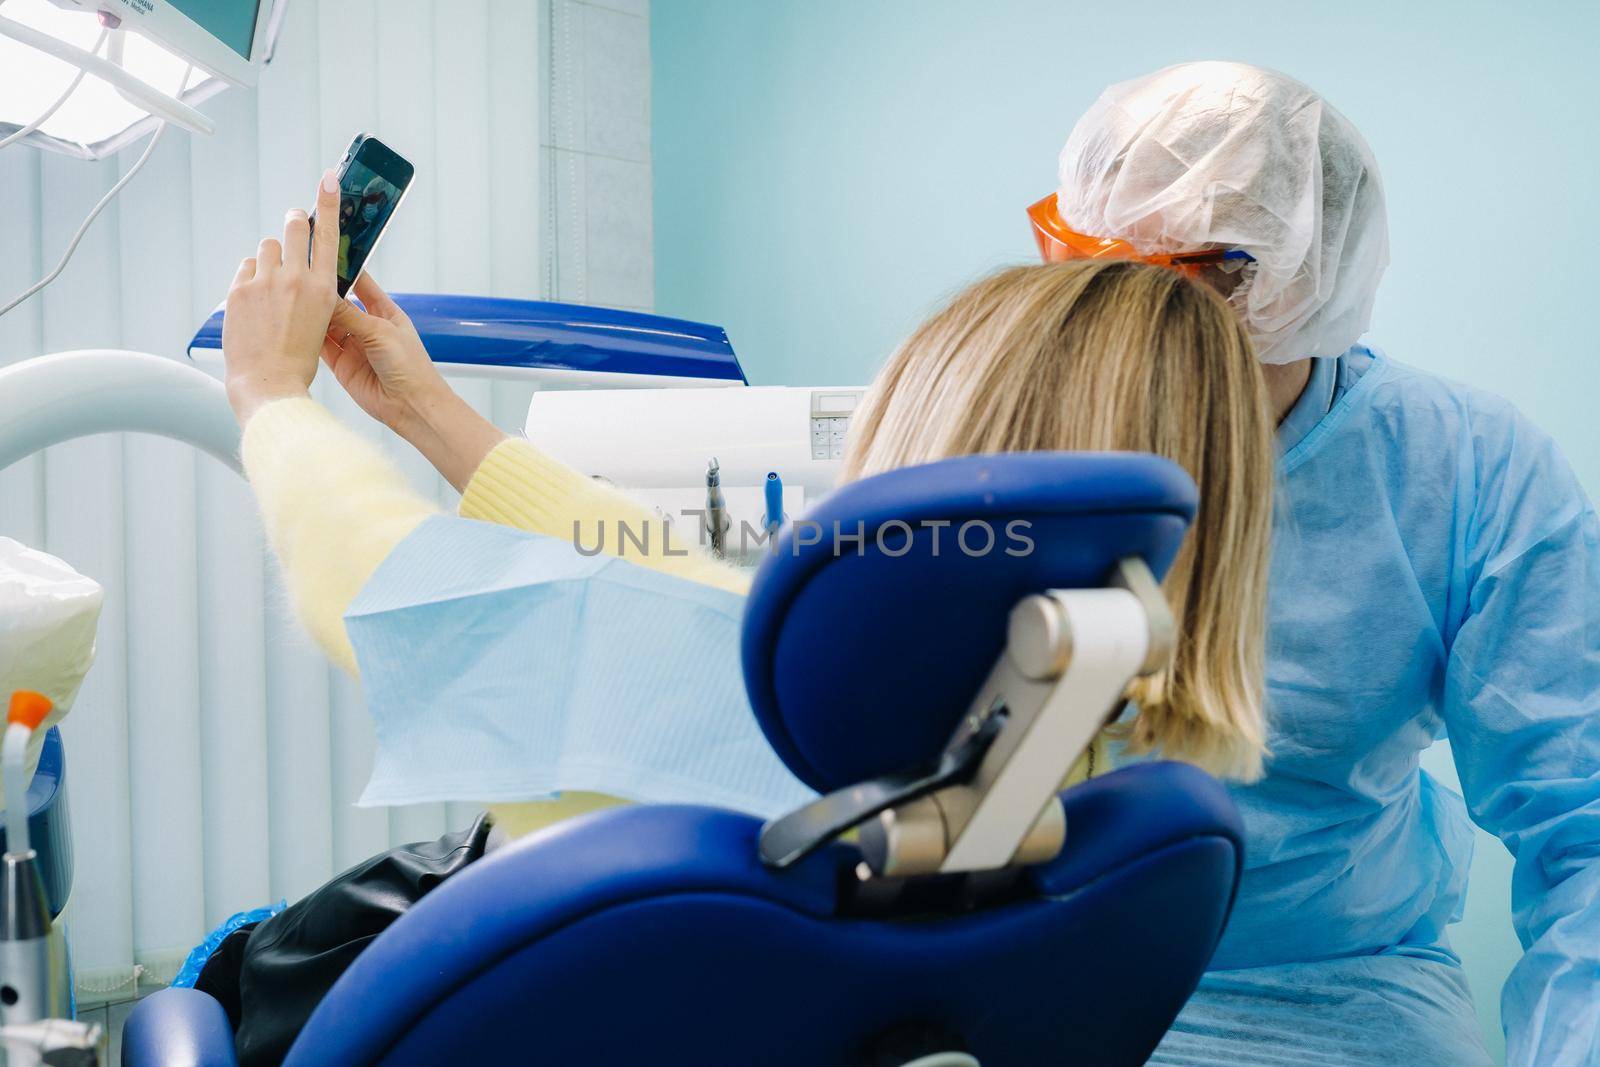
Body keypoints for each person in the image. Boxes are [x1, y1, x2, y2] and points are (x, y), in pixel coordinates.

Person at [1031, 61, 1599, 1066]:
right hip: (1033, 969)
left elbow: (1582, 820)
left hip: (1342, 994)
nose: (1142, 315)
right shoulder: (1001, 445)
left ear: (1299, 277)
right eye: (1108, 262)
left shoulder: (1464, 465)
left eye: (1202, 272)